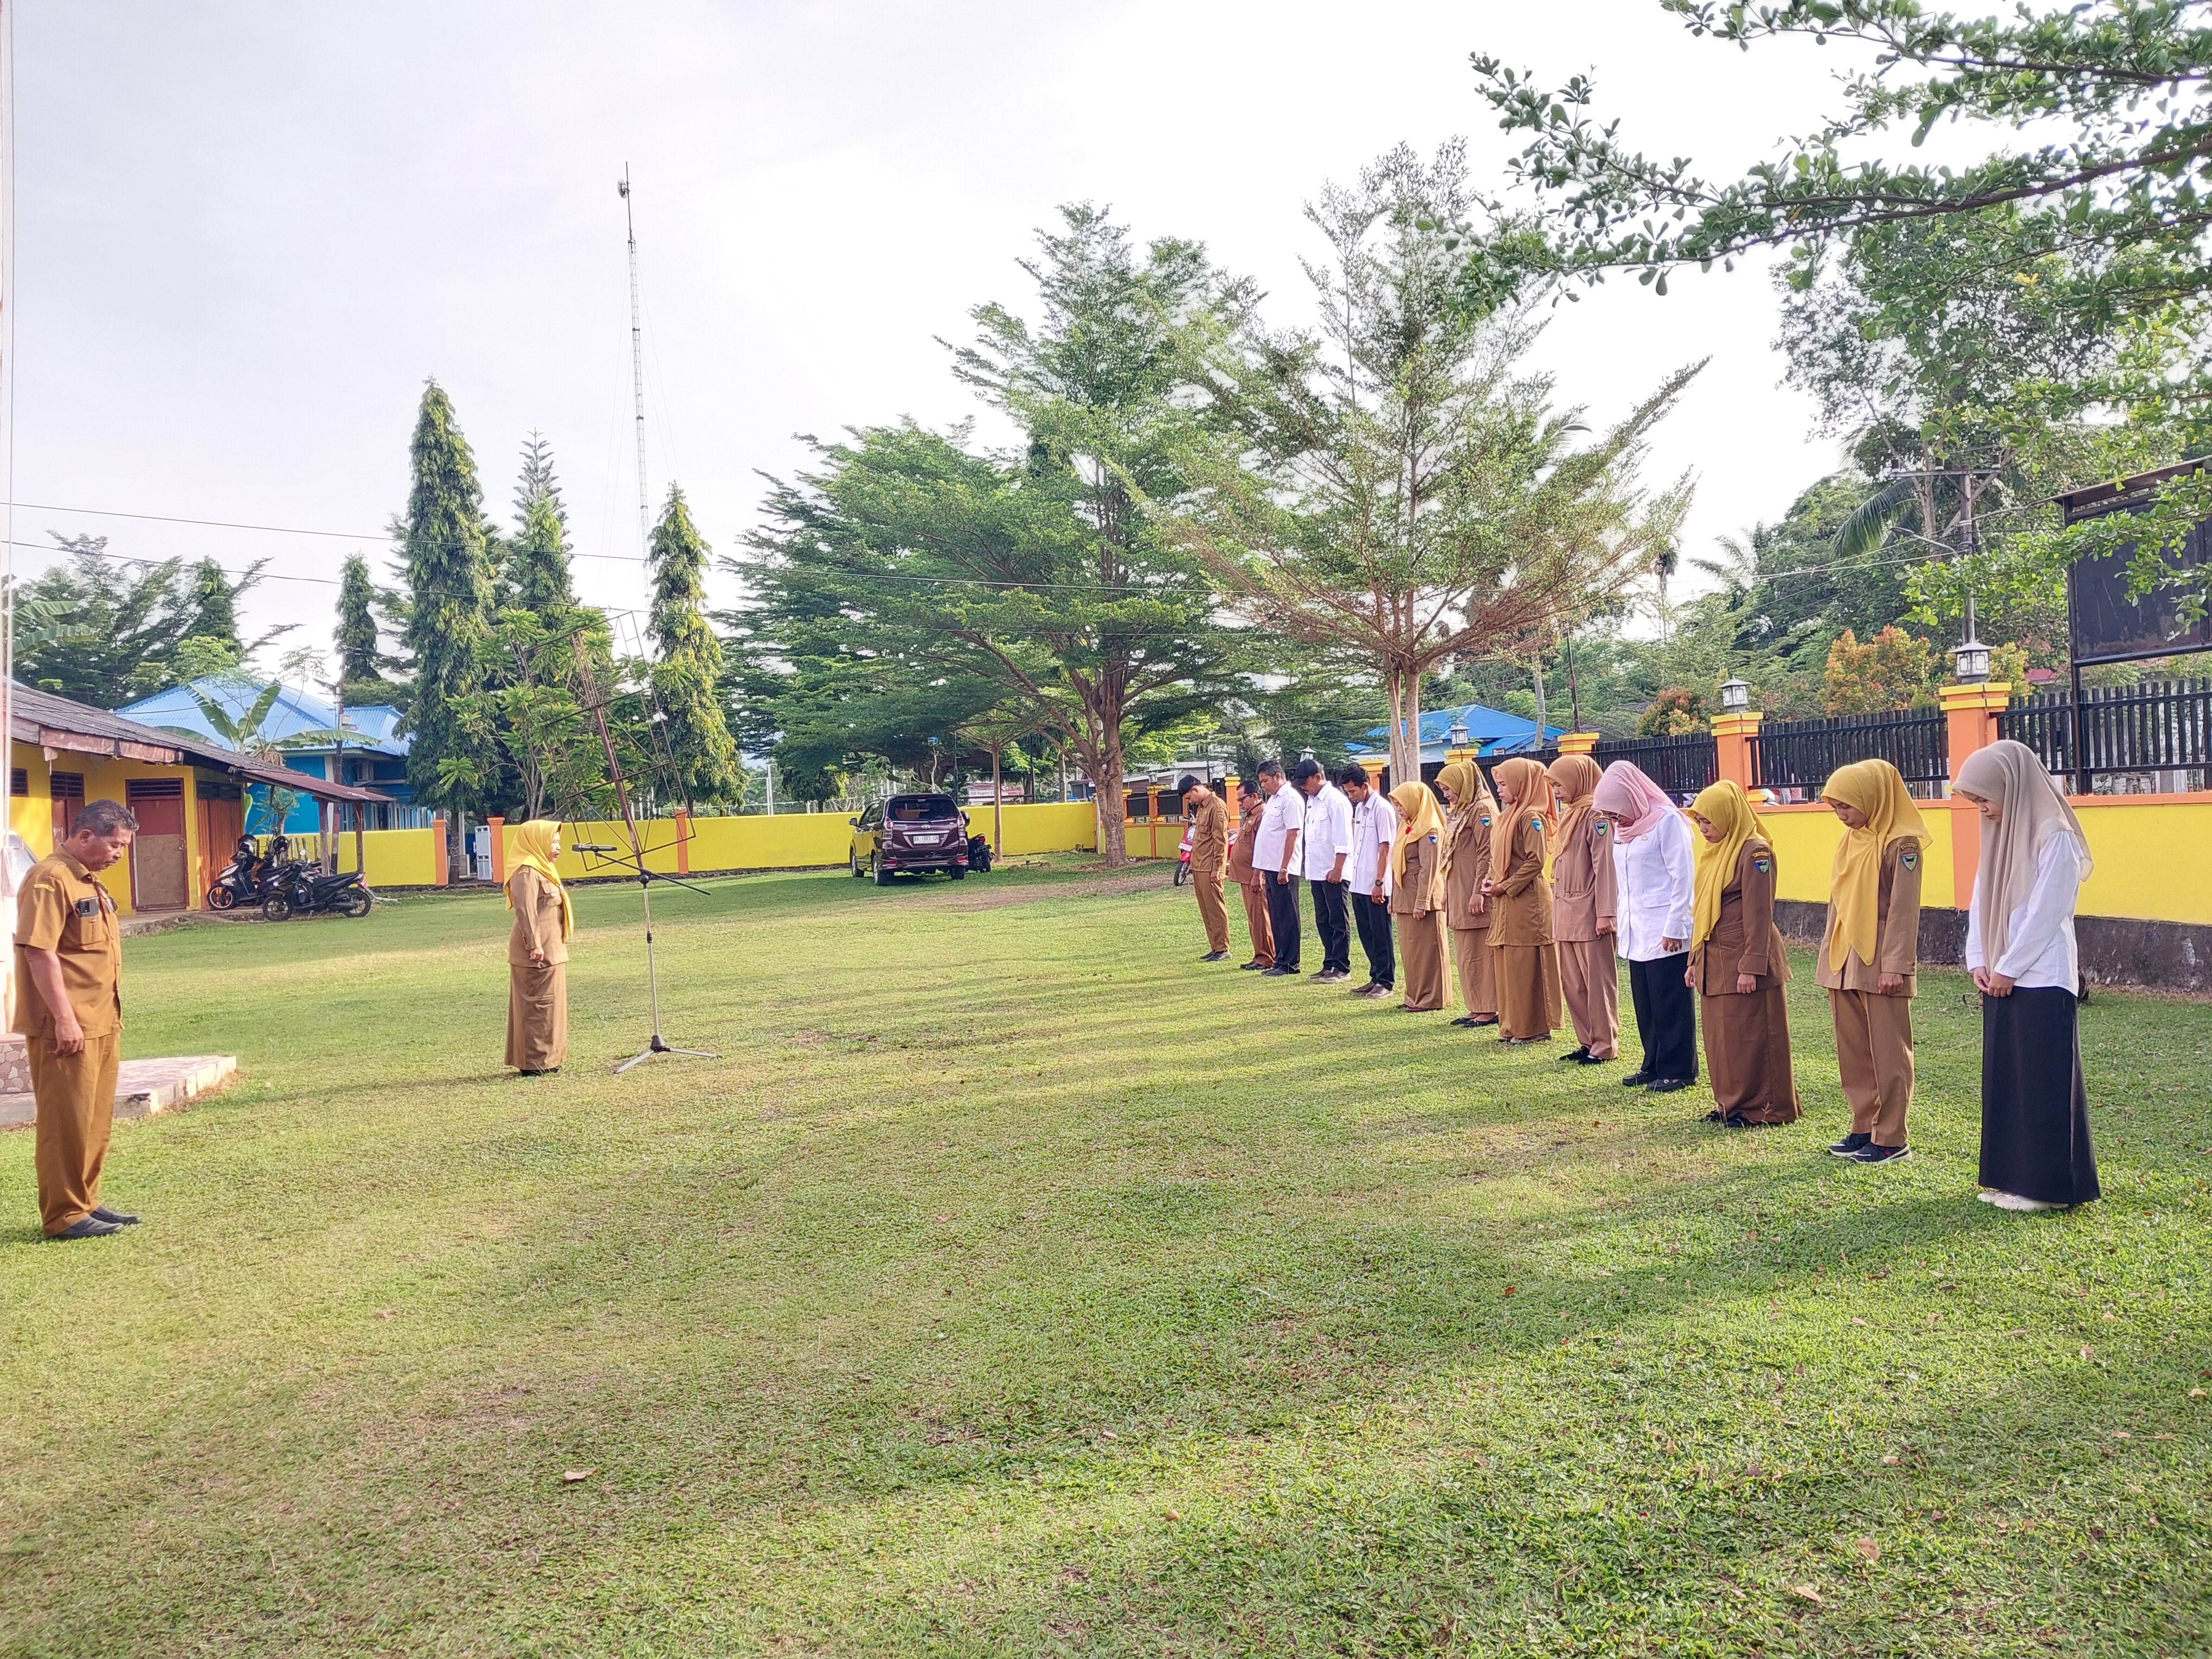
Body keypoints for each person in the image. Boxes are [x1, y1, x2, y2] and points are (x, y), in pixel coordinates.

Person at [1958, 740, 2099, 1212]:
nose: (1982, 809)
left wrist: (2009, 967)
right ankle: (2014, 1180)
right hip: (2001, 974)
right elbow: (1981, 901)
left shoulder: (2055, 834)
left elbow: (2048, 911)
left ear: (2011, 786)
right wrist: (1979, 960)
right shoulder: (1999, 835)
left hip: (2041, 976)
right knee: (2009, 1081)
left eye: (1984, 798)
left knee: (2043, 1082)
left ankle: (2049, 1190)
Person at [15, 800, 137, 1239]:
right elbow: (39, 952)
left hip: (101, 1017)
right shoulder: (50, 879)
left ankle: (86, 1200)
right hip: (67, 1024)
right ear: (85, 836)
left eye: (124, 847)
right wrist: (64, 1019)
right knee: (65, 1120)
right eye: (115, 845)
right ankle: (64, 1214)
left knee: (94, 1118)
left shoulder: (87, 881)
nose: (119, 854)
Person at [1817, 758, 1927, 1164]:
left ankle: (1892, 1137)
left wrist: (1895, 965)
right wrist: (1830, 958)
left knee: (1888, 1051)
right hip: (1845, 957)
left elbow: (1904, 909)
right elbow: (1839, 902)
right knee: (1854, 1050)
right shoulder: (1851, 840)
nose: (1841, 815)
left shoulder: (1902, 844)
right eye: (1835, 807)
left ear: (1872, 799)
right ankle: (1864, 1125)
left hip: (1881, 960)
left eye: (1846, 806)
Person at [1686, 780, 1798, 1126]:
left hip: (1743, 959)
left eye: (1708, 820)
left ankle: (1764, 1109)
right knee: (1724, 1039)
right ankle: (1731, 1104)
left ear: (1728, 816)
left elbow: (1759, 914)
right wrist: (1694, 960)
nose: (1703, 828)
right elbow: (1702, 911)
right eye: (1699, 821)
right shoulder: (1716, 852)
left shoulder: (1755, 853)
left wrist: (1752, 966)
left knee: (1753, 1035)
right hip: (1716, 959)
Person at [1594, 761, 1697, 1093]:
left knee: (1670, 1001)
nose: (1615, 820)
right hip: (1636, 926)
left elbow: (1683, 877)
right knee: (1646, 1001)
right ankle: (1652, 1063)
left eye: (1616, 811)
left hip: (1665, 927)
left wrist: (1676, 926)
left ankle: (1678, 1069)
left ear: (1631, 797)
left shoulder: (1667, 821)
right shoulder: (1623, 829)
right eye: (1610, 815)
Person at [1484, 756, 1564, 1044]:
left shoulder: (1531, 817)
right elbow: (1499, 857)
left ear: (1522, 784)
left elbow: (1535, 861)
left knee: (1526, 963)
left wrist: (1505, 886)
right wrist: (1492, 880)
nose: (1499, 790)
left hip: (1527, 900)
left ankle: (1533, 1028)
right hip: (1507, 898)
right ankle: (1511, 1025)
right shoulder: (1508, 815)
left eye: (1504, 784)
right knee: (1508, 962)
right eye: (1498, 784)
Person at [1546, 754, 1621, 1065]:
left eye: (1560, 784)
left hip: (1590, 911)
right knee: (1573, 982)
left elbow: (1606, 867)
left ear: (1578, 781)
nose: (1556, 791)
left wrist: (1606, 912)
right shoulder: (1571, 815)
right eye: (1553, 785)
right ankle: (1587, 1040)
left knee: (1597, 982)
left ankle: (1605, 1044)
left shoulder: (1596, 815)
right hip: (1566, 910)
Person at [505, 819, 573, 1076]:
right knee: (536, 1007)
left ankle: (549, 1060)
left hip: (552, 948)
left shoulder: (545, 869)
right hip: (535, 952)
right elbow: (525, 911)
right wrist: (534, 945)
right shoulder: (526, 872)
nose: (558, 847)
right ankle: (533, 1063)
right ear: (537, 842)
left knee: (552, 1007)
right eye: (553, 842)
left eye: (558, 842)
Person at [1437, 758, 1500, 1029]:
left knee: (1480, 952)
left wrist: (1479, 892)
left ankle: (1489, 1008)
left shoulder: (1482, 809)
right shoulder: (1461, 811)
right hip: (1459, 888)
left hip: (1475, 891)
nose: (1446, 795)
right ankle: (1475, 1006)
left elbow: (1487, 853)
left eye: (1448, 789)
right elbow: (1452, 856)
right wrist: (1447, 891)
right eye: (1443, 790)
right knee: (1466, 952)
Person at [1386, 779, 1450, 1011]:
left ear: (1415, 802)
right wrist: (1394, 898)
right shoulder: (1407, 826)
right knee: (1411, 950)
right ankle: (1414, 996)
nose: (1399, 808)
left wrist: (1422, 901)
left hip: (1422, 898)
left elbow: (1429, 869)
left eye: (1401, 803)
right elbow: (1397, 864)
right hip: (1406, 897)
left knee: (1427, 951)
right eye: (1396, 804)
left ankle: (1431, 998)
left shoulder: (1430, 829)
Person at [1294, 758, 1355, 984]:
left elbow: (1343, 840)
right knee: (1323, 919)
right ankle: (1329, 962)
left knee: (1338, 919)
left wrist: (1338, 869)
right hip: (1317, 871)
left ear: (1318, 777)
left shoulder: (1336, 801)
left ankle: (1341, 966)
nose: (1303, 787)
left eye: (1305, 782)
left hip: (1333, 871)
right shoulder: (1312, 801)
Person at [1340, 763, 1397, 999]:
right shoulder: (1362, 809)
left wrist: (1379, 882)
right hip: (1359, 882)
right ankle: (1375, 977)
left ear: (1365, 786)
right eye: (1347, 792)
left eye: (1353, 791)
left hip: (1376, 883)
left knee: (1381, 933)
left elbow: (1386, 847)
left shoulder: (1382, 809)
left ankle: (1386, 981)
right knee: (1366, 932)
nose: (1350, 797)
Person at [1251, 759, 1305, 976]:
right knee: (1276, 915)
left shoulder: (1290, 799)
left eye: (1265, 781)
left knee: (1287, 915)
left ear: (1277, 776)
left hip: (1284, 868)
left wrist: (1285, 867)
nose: (1263, 785)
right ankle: (1280, 959)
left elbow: (1293, 834)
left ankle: (1290, 963)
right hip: (1271, 866)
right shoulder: (1274, 799)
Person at [1181, 775, 1232, 962]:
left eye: (1189, 797)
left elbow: (1221, 840)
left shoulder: (1216, 807)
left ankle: (1223, 948)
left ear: (1195, 789)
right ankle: (1215, 946)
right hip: (1200, 865)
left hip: (1211, 867)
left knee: (1215, 908)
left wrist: (1218, 868)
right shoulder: (1202, 808)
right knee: (1207, 909)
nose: (1190, 801)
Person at [1226, 781, 1275, 971]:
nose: (1239, 804)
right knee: (1254, 918)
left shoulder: (1262, 816)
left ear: (1254, 796)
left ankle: (1266, 957)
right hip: (1246, 876)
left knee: (1261, 917)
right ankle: (1259, 954)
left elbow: (1263, 849)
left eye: (1242, 799)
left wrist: (1258, 875)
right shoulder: (1251, 817)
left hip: (1254, 877)